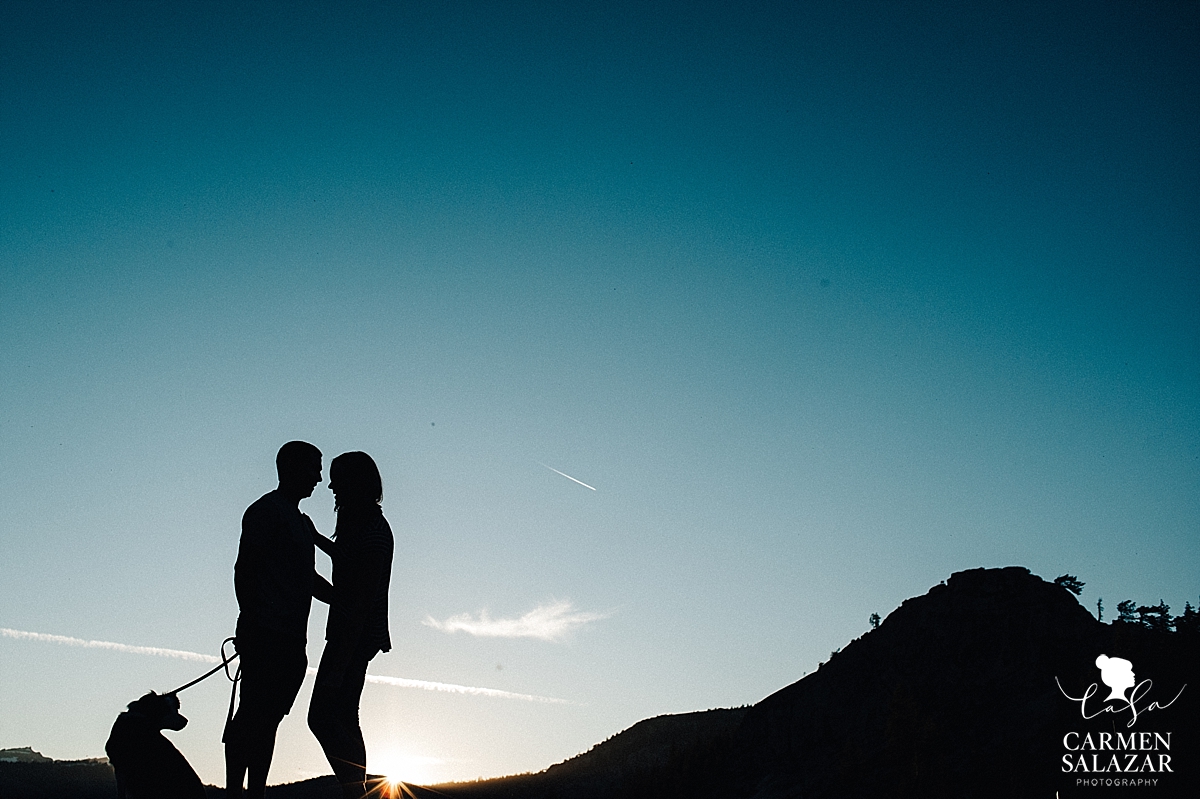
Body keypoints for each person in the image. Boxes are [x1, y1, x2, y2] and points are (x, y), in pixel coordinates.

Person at [225, 441, 334, 799]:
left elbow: (309, 578)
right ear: (291, 468)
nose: (320, 477)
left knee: (266, 721)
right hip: (267, 634)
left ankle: (254, 791)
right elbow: (245, 569)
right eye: (314, 468)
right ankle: (235, 791)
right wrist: (252, 622)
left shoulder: (302, 524)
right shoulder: (265, 512)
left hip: (290, 641)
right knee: (253, 718)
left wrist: (345, 599)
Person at [308, 451, 394, 799]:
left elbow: (361, 597)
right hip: (355, 633)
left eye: (338, 478)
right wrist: (317, 540)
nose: (330, 485)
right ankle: (358, 792)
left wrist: (342, 654)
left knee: (322, 716)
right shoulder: (363, 523)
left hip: (353, 635)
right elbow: (350, 563)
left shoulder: (372, 530)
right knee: (345, 716)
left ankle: (355, 793)